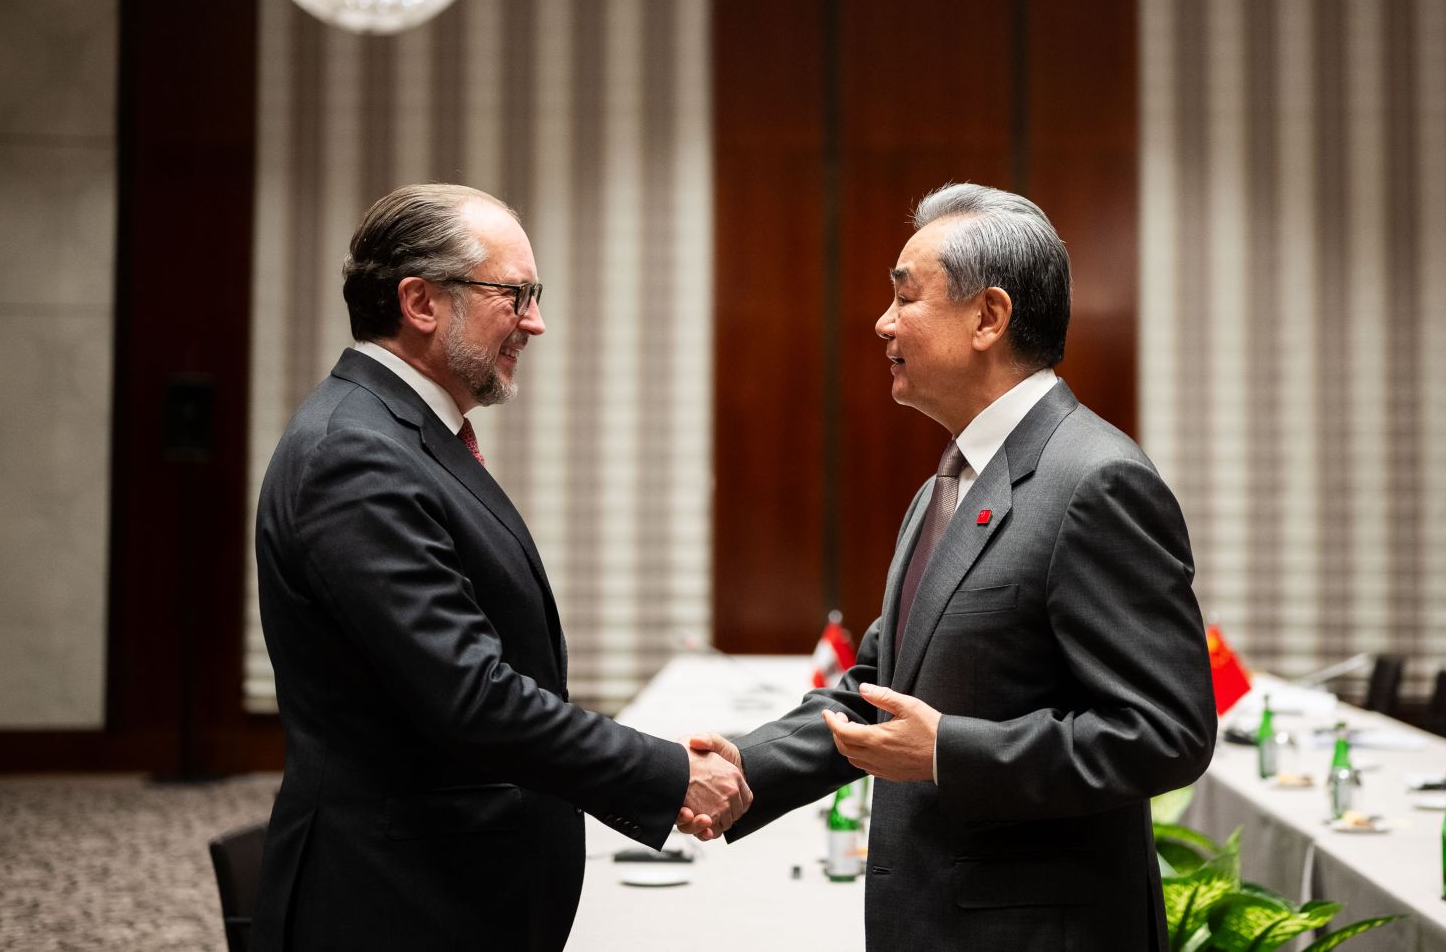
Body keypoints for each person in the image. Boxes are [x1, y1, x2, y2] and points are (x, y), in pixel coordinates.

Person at [689, 183, 1217, 950]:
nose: (883, 322)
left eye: (906, 297)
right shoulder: (952, 479)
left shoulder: (1095, 480)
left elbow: (1166, 732)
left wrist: (948, 752)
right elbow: (878, 689)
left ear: (988, 317)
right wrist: (746, 765)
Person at [251, 183, 749, 951]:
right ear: (421, 302)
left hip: (444, 879)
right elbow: (470, 695)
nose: (535, 322)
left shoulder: (402, 433)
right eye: (514, 295)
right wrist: (665, 772)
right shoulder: (354, 453)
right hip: (393, 899)